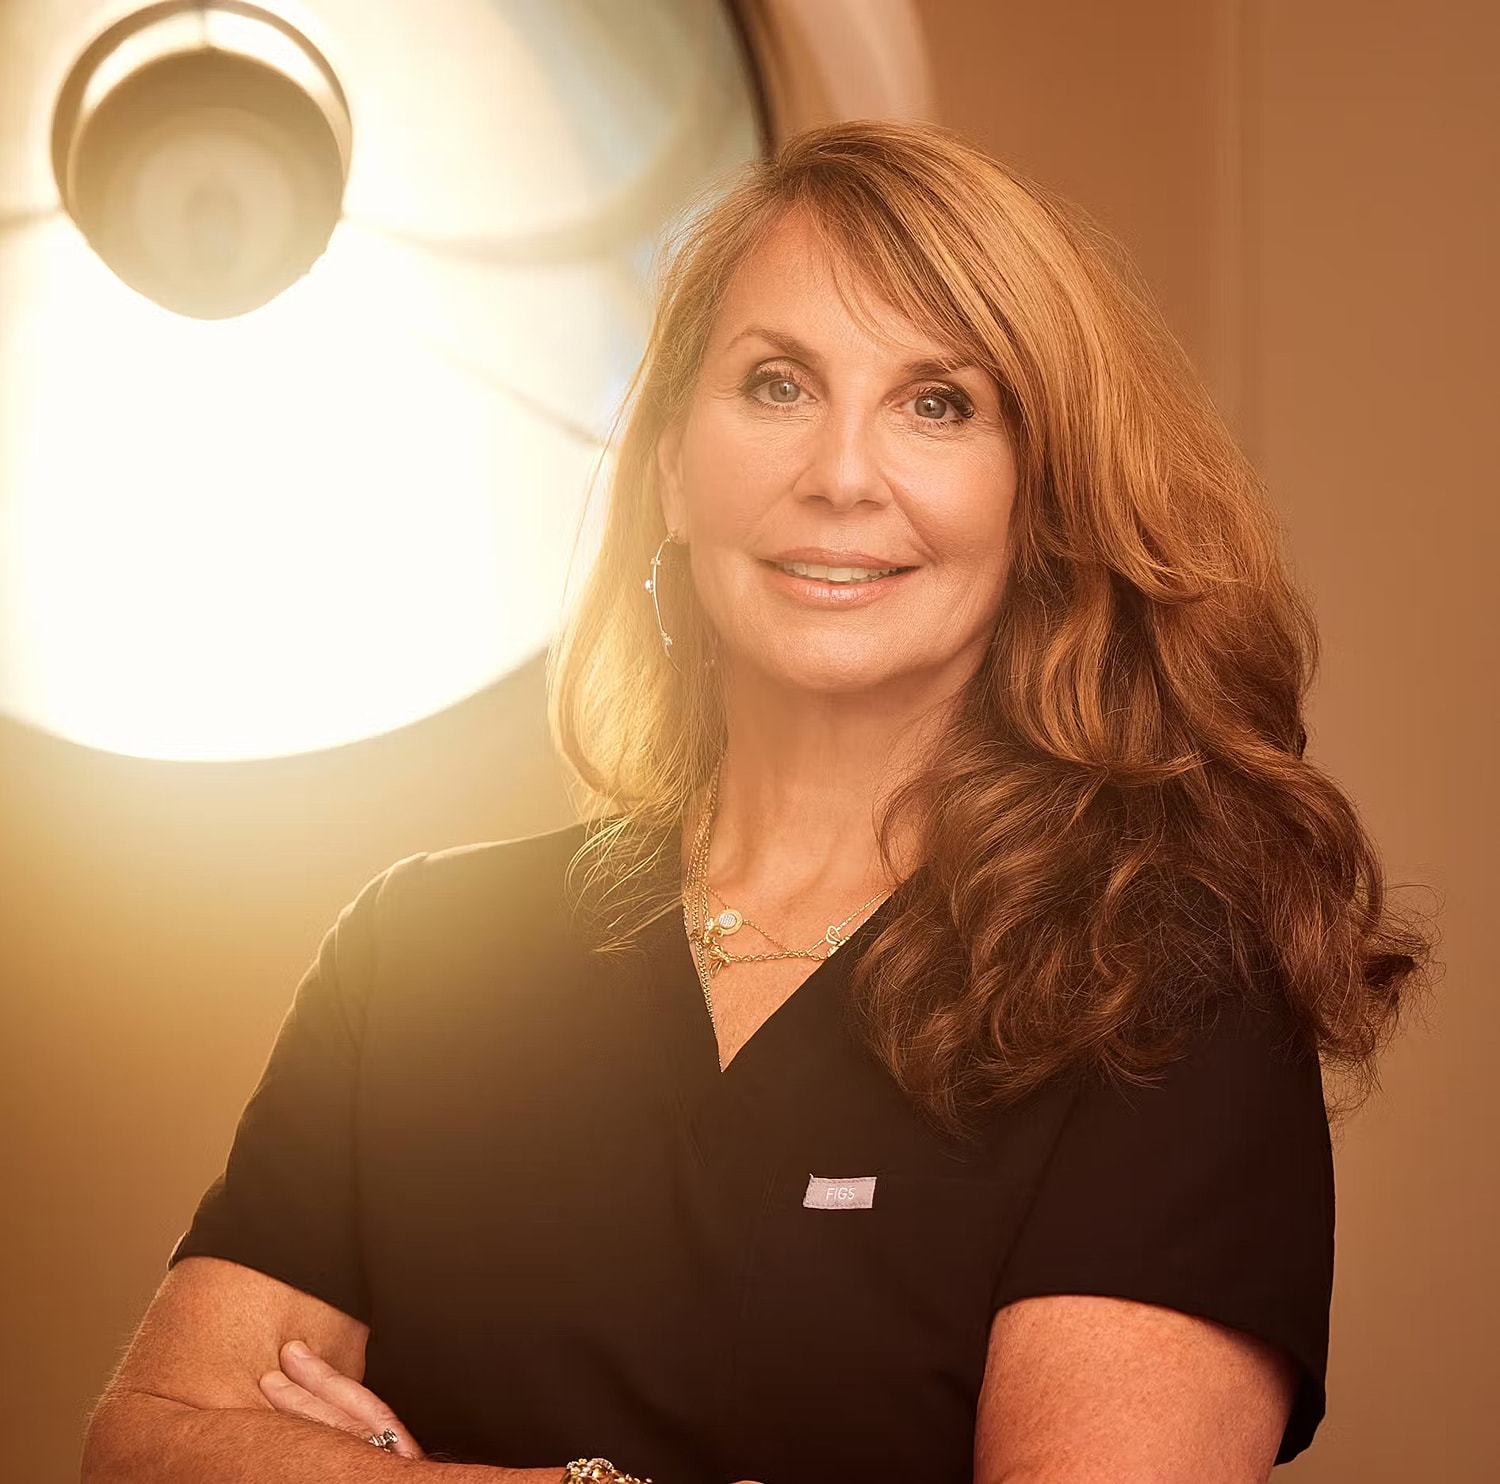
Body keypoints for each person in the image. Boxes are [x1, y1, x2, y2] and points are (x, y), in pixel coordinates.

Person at [81, 119, 1429, 1484]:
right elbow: (147, 1450)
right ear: (670, 461)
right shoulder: (418, 952)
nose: (841, 473)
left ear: (1041, 499)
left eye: (937, 404)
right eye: (778, 385)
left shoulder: (1160, 998)